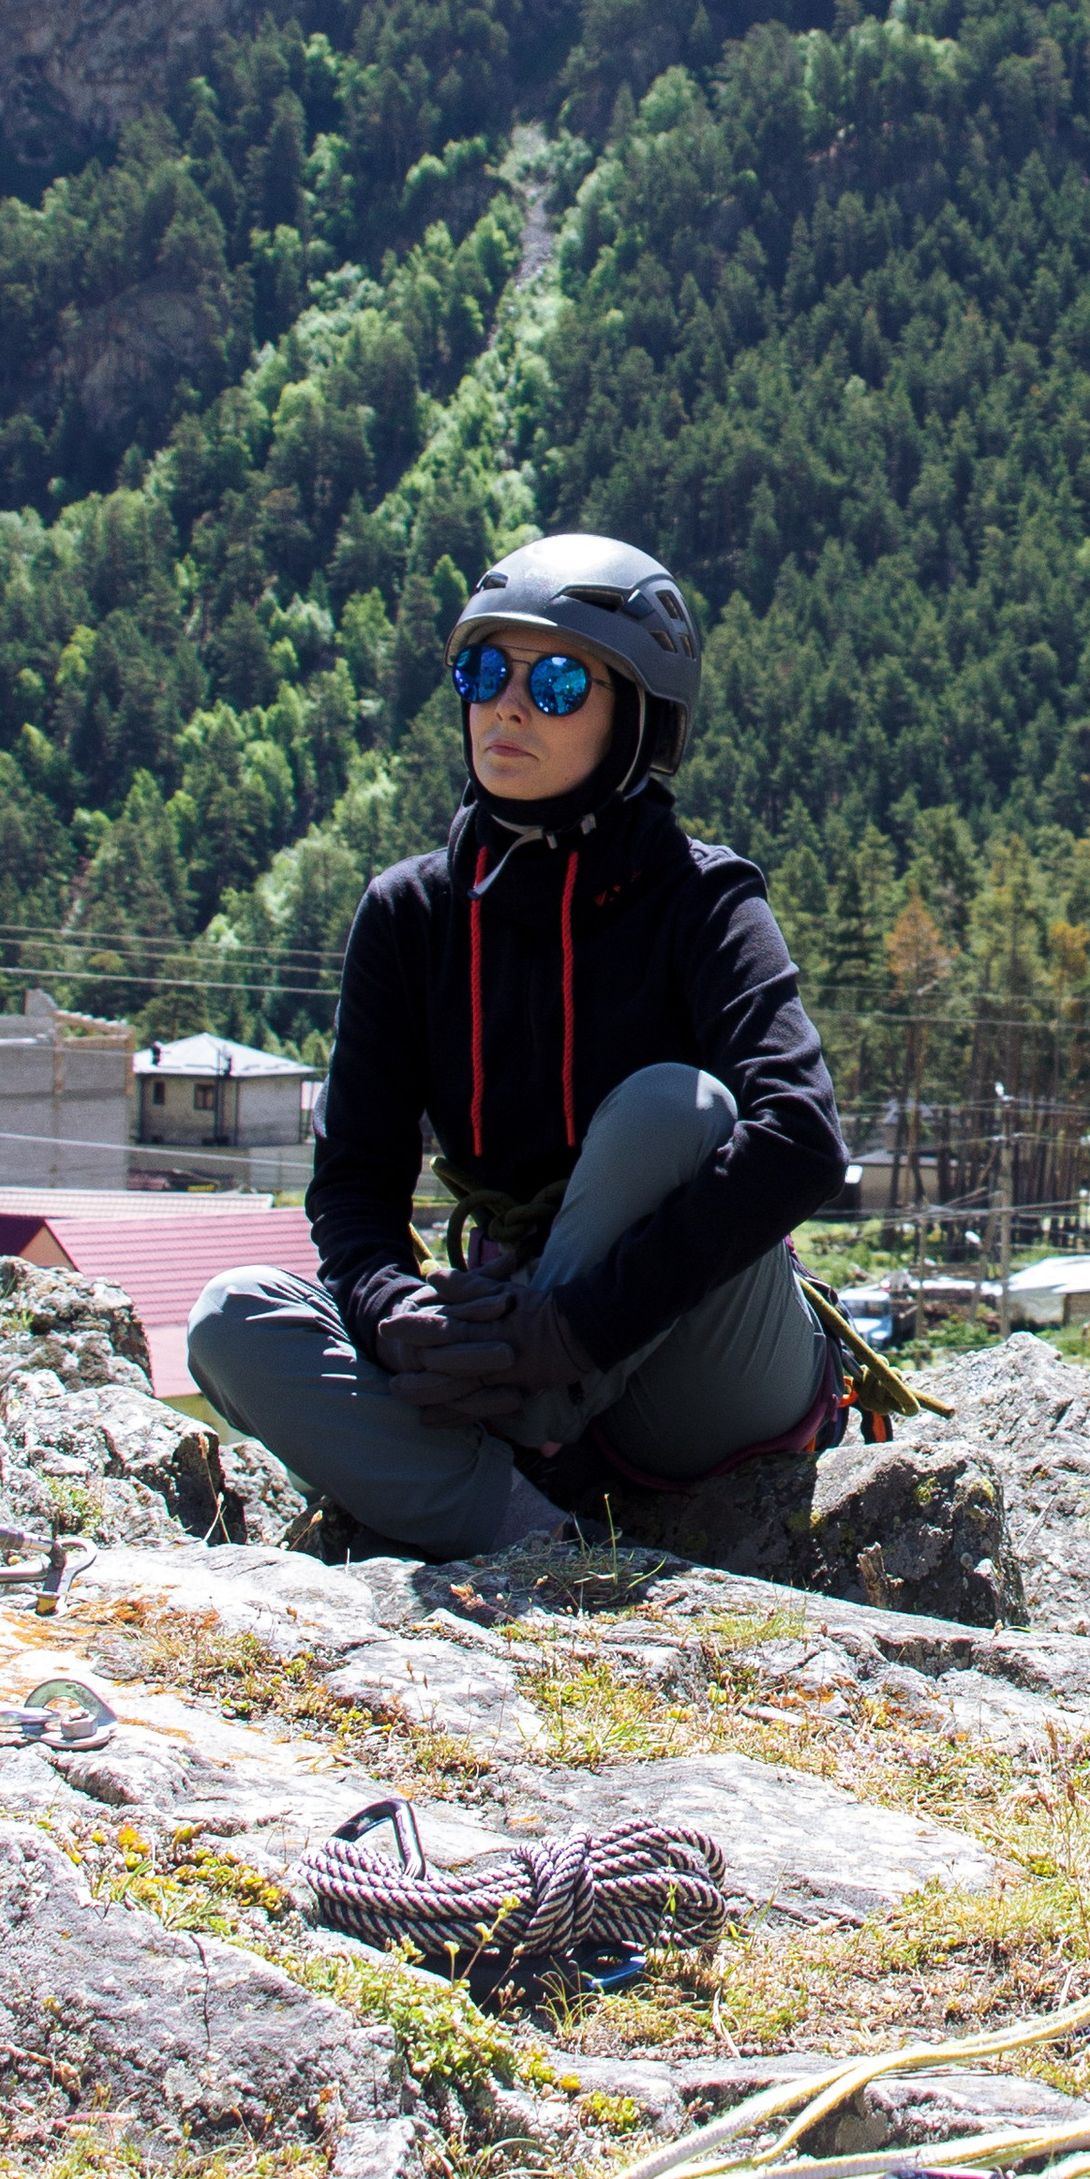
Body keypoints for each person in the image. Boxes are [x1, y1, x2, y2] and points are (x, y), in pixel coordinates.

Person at [189, 535, 847, 1560]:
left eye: (555, 681)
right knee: (231, 1322)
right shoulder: (410, 914)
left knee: (675, 1111)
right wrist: (398, 1311)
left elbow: (800, 1137)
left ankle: (507, 1432)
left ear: (634, 712)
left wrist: (567, 1332)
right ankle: (534, 1537)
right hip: (502, 1347)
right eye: (484, 671)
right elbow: (354, 1189)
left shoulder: (701, 899)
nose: (506, 706)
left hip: (698, 1372)